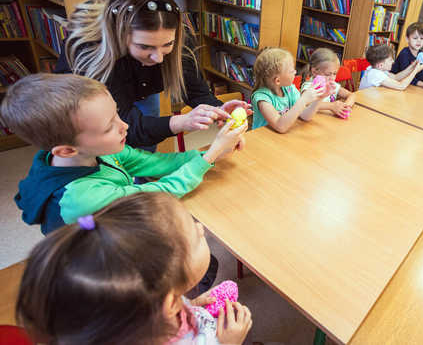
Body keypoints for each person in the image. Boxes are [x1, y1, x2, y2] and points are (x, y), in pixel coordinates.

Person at [0, 73, 246, 234]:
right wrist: (210, 155)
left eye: (117, 113)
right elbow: (157, 196)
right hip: (95, 262)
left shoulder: (96, 152)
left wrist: (210, 154)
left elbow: (155, 162)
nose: (124, 125)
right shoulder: (80, 198)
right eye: (109, 126)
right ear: (67, 149)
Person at [15, 192, 253, 345]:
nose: (201, 227)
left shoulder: (149, 304)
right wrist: (227, 343)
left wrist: (191, 305)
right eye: (196, 235)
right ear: (168, 303)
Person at [56, 0, 250, 149]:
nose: (158, 58)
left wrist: (218, 110)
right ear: (119, 35)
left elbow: (194, 89)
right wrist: (180, 122)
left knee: (146, 148)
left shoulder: (179, 41)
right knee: (112, 156)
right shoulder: (89, 53)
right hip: (91, 98)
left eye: (167, 44)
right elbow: (124, 128)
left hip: (140, 88)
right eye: (144, 46)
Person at [251, 47, 327, 132]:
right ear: (278, 80)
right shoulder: (262, 98)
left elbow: (304, 115)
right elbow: (280, 126)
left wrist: (319, 98)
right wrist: (303, 100)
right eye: (291, 71)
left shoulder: (289, 89)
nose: (295, 72)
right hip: (262, 140)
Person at [301, 48, 356, 118]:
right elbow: (306, 103)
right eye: (327, 74)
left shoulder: (332, 85)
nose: (332, 78)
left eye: (335, 73)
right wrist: (331, 106)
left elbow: (352, 95)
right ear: (314, 72)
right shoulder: (309, 86)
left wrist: (345, 107)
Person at [390, 22, 423, 88]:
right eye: (415, 38)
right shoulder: (404, 54)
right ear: (407, 39)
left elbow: (419, 73)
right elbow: (406, 76)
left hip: (409, 84)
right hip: (396, 83)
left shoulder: (421, 54)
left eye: (422, 38)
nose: (419, 41)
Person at [359, 44, 423, 90]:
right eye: (390, 60)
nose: (393, 61)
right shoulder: (375, 74)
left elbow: (395, 77)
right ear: (381, 65)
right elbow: (401, 86)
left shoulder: (379, 69)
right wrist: (415, 71)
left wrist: (412, 66)